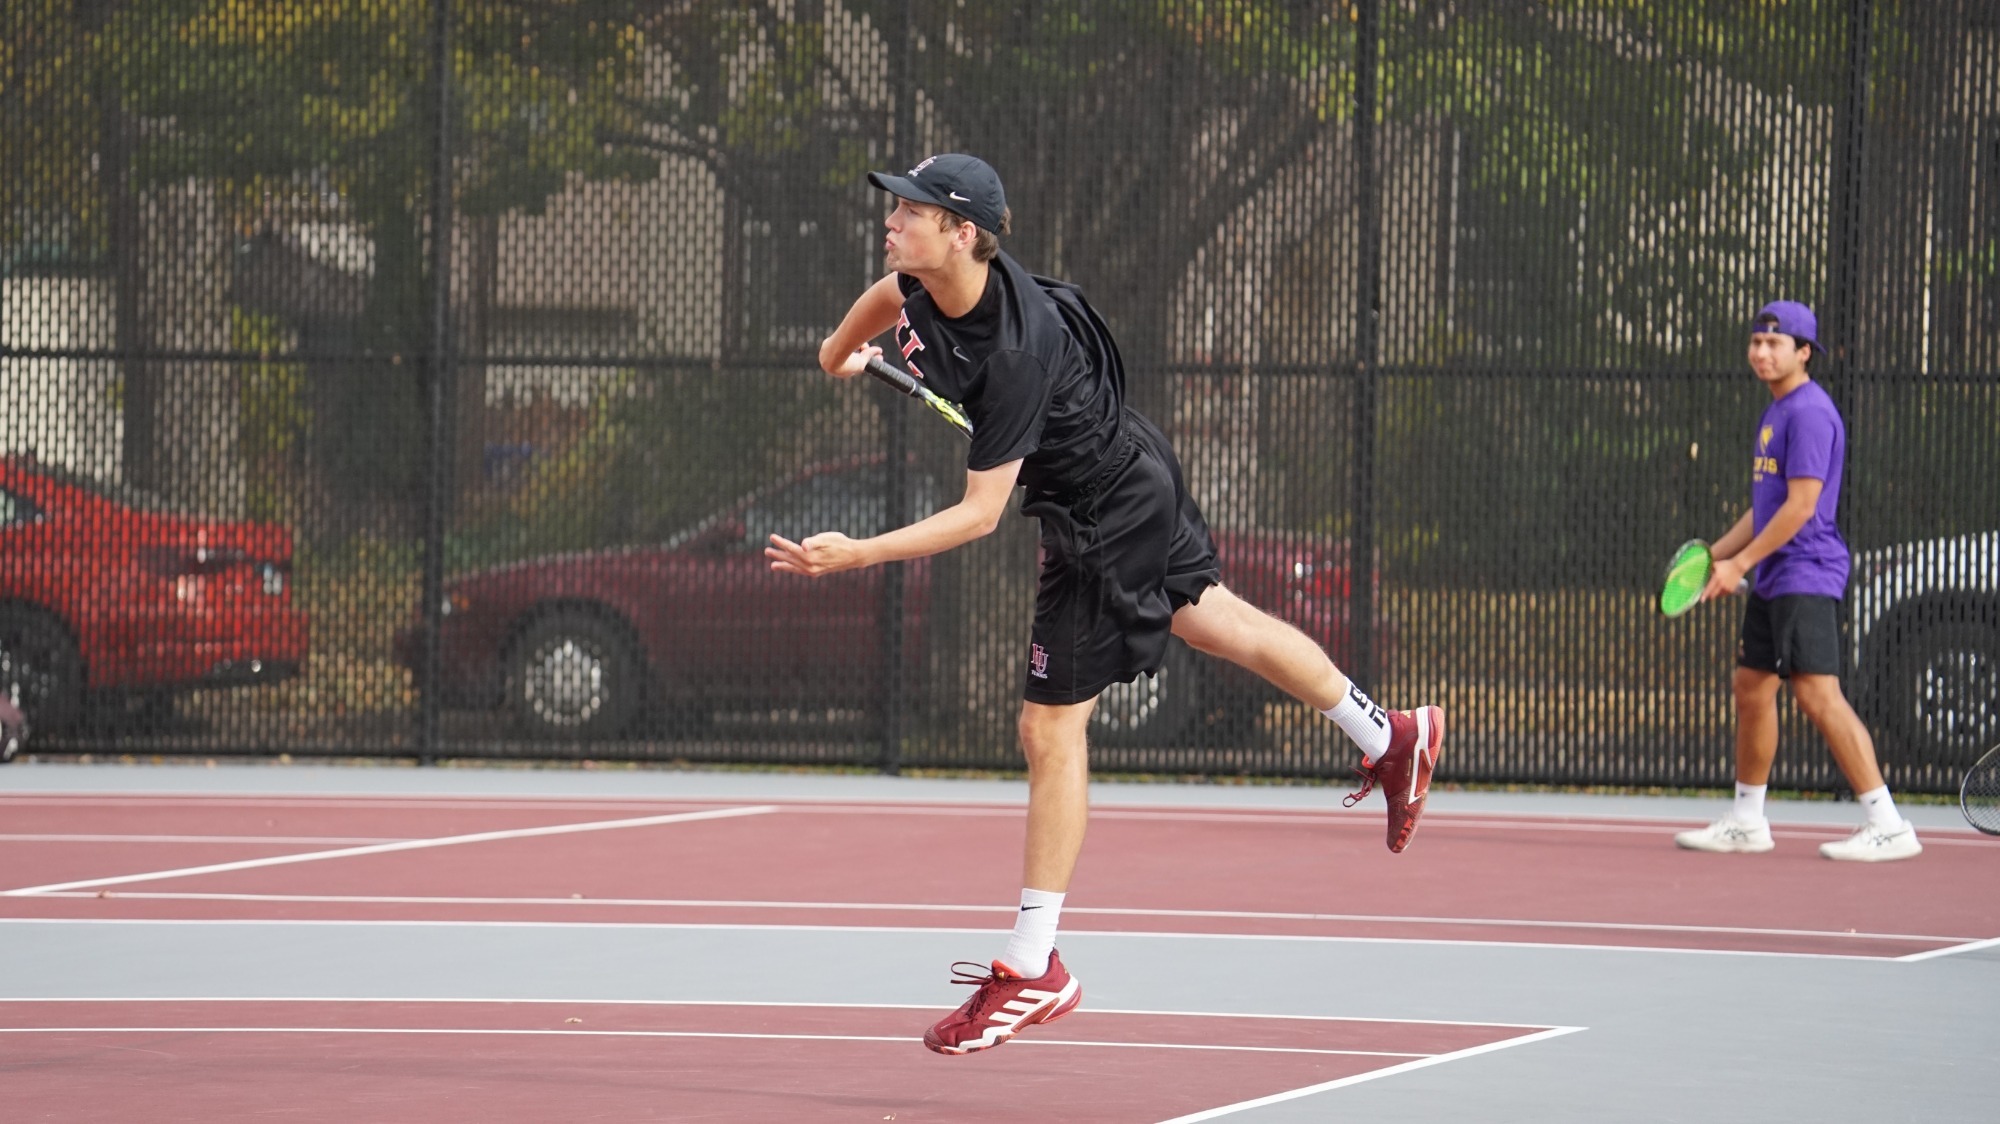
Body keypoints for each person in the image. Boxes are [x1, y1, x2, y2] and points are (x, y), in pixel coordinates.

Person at [766, 153, 1446, 1055]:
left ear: (963, 233)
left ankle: (1034, 965)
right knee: (1221, 622)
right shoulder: (932, 282)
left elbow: (978, 517)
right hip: (1133, 467)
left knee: (1050, 731)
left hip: (1100, 512)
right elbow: (888, 295)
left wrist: (859, 554)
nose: (893, 221)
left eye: (913, 211)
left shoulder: (1014, 353)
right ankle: (1388, 734)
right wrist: (836, 351)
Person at [1674, 301, 1920, 863]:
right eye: (1756, 343)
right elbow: (1766, 508)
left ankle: (1889, 823)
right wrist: (1714, 554)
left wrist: (1739, 565)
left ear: (1803, 353)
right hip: (1775, 573)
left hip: (1806, 571)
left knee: (1816, 693)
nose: (1762, 352)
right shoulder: (1776, 412)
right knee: (1752, 687)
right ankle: (1747, 820)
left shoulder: (1808, 413)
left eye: (1775, 344)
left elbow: (1801, 508)